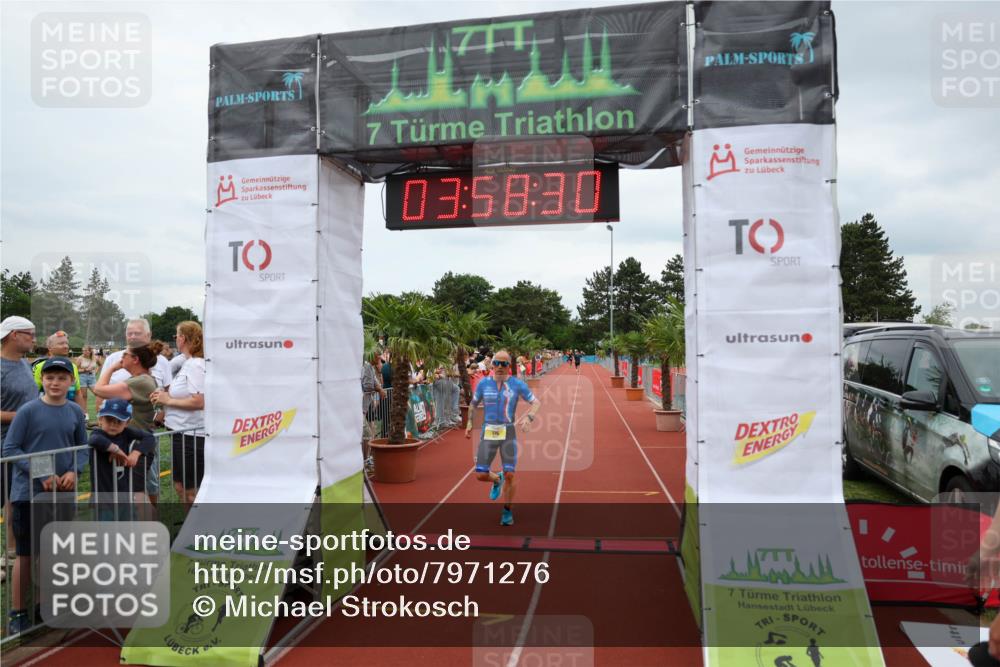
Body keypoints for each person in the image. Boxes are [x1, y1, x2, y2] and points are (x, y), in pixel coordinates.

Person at [2, 357, 88, 634]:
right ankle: (18, 612)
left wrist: (74, 471)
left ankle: (43, 605)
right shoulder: (28, 411)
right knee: (27, 554)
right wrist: (42, 473)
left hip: (62, 494)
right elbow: (10, 449)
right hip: (29, 494)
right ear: (42, 379)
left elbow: (82, 448)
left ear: (71, 381)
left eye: (62, 378)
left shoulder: (75, 411)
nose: (55, 383)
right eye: (50, 377)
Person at [464, 349, 541, 527]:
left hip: (508, 432)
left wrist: (529, 418)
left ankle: (507, 511)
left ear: (509, 367)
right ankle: (496, 480)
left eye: (504, 364)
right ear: (492, 365)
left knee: (510, 474)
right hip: (488, 431)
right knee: (481, 475)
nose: (499, 366)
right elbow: (473, 405)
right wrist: (469, 423)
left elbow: (536, 402)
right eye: (497, 363)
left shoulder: (517, 384)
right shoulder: (483, 384)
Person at [150, 321, 204, 509]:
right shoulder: (189, 362)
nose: (176, 339)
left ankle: (199, 535)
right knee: (181, 487)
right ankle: (191, 530)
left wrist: (167, 400)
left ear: (182, 338)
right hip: (180, 433)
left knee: (192, 492)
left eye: (176, 335)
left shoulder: (196, 365)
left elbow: (199, 402)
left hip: (192, 436)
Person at [1, 316, 38, 581]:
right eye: (30, 334)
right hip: (6, 445)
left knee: (25, 498)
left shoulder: (24, 364)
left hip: (32, 445)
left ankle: (20, 553)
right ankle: (10, 555)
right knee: (10, 501)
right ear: (14, 335)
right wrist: (25, 417)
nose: (34, 340)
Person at [88, 399, 157, 520]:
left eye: (119, 421)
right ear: (100, 419)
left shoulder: (127, 433)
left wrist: (136, 453)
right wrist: (116, 450)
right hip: (104, 498)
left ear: (127, 422)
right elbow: (94, 440)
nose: (113, 424)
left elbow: (149, 438)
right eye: (109, 420)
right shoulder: (98, 433)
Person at [92, 343, 161, 432]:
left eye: (125, 354)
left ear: (135, 359)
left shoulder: (141, 382)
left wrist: (112, 368)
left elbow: (98, 390)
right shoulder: (144, 379)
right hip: (137, 436)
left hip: (135, 440)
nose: (122, 357)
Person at [30, 332, 86, 412]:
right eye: (61, 343)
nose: (66, 346)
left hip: (69, 414)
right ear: (50, 348)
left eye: (66, 343)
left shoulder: (73, 366)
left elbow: (77, 393)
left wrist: (82, 415)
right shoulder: (39, 366)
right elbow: (33, 394)